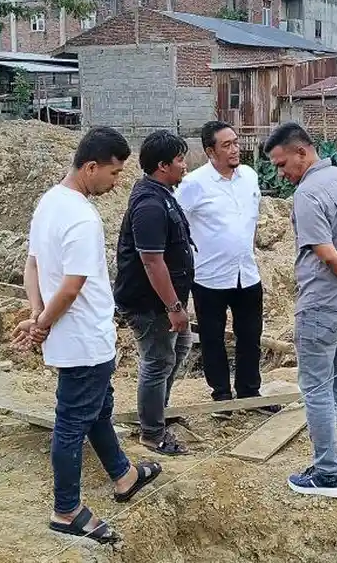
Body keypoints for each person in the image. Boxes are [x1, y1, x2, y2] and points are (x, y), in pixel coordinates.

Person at [10, 126, 162, 545]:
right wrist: (41, 323)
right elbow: (73, 285)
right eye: (113, 174)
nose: (116, 184)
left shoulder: (48, 202)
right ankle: (66, 510)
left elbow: (33, 266)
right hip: (84, 339)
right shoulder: (81, 216)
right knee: (72, 421)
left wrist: (38, 313)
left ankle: (124, 476)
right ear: (91, 167)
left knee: (97, 409)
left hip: (72, 334)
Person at [263, 122, 337, 498]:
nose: (281, 174)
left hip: (324, 305)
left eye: (283, 164)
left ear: (302, 152)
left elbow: (327, 253)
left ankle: (328, 474)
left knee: (317, 388)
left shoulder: (308, 192)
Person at [175, 121, 280, 419]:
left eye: (235, 143)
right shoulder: (194, 183)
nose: (235, 149)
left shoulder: (249, 177)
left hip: (246, 273)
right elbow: (177, 222)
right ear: (210, 151)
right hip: (209, 277)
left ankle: (249, 393)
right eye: (227, 145)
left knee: (250, 336)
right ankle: (221, 396)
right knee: (212, 338)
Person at [114, 129, 195, 456]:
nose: (185, 165)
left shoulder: (161, 193)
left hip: (163, 300)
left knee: (179, 347)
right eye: (179, 159)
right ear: (163, 165)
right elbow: (151, 261)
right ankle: (152, 433)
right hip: (150, 302)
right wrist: (174, 306)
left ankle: (156, 413)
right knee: (158, 359)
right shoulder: (149, 203)